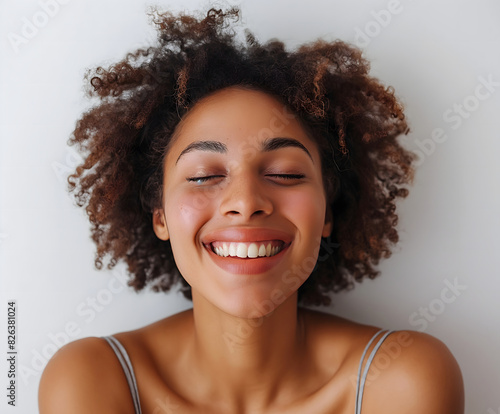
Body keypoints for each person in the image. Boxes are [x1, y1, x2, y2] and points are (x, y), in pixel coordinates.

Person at [38, 7, 464, 413]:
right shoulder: (91, 377)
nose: (245, 202)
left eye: (284, 173)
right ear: (161, 216)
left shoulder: (402, 378)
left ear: (328, 213)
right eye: (204, 175)